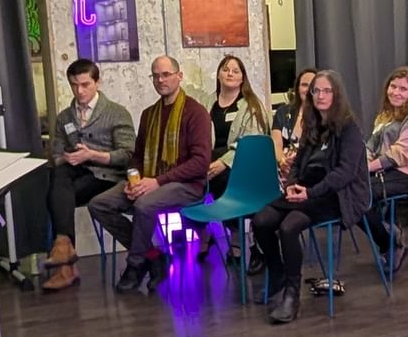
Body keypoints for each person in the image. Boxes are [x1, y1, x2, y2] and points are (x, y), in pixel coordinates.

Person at [252, 70, 369, 324]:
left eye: (327, 91)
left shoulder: (349, 128)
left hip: (333, 195)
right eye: (316, 91)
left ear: (336, 94)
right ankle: (278, 273)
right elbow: (297, 163)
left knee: (288, 227)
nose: (320, 96)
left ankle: (292, 294)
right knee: (261, 221)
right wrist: (291, 185)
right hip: (305, 188)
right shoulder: (312, 123)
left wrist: (310, 192)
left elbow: (345, 173)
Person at [88, 56, 211, 294]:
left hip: (186, 186)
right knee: (99, 204)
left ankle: (135, 265)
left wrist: (157, 182)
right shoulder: (149, 114)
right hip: (150, 181)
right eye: (155, 75)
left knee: (144, 205)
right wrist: (133, 180)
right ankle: (152, 256)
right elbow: (137, 156)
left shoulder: (196, 113)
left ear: (179, 76)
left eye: (166, 74)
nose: (160, 80)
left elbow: (200, 163)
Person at [36, 57, 135, 292]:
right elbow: (56, 154)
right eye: (74, 85)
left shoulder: (116, 113)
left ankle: (65, 262)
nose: (79, 91)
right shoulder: (64, 117)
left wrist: (91, 155)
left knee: (57, 194)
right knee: (59, 176)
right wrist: (66, 157)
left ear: (97, 83)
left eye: (85, 85)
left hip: (107, 177)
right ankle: (64, 249)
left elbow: (127, 155)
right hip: (76, 174)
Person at [364, 65, 408, 273]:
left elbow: (399, 155)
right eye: (393, 87)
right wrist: (364, 161)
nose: (396, 92)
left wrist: (365, 169)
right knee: (352, 193)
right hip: (384, 171)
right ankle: (390, 238)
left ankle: (390, 243)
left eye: (403, 89)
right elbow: (371, 146)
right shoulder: (385, 115)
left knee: (360, 194)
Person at [205, 53, 272, 191]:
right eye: (225, 70)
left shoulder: (252, 106)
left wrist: (224, 162)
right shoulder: (206, 103)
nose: (230, 74)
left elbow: (251, 144)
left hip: (240, 163)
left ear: (242, 78)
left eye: (235, 71)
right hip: (209, 160)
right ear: (218, 75)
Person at [272, 68, 317, 166]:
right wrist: (283, 162)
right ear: (297, 88)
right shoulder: (283, 112)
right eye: (304, 85)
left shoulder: (323, 115)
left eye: (312, 86)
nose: (308, 89)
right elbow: (276, 144)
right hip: (283, 167)